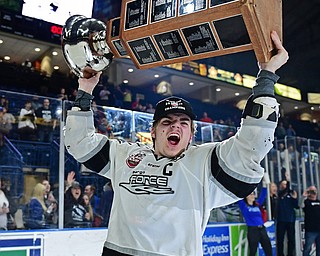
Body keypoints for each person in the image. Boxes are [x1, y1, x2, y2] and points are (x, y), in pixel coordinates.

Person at [64, 31, 288, 256]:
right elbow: (79, 142)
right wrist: (85, 89)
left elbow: (253, 144)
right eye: (167, 122)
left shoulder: (204, 164)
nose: (175, 127)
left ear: (191, 134)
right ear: (153, 131)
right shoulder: (125, 156)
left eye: (183, 123)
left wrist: (267, 76)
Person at [238, 174, 272, 256]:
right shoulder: (244, 206)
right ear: (246, 197)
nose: (252, 195)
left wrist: (264, 184)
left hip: (262, 228)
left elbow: (263, 195)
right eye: (250, 194)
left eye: (253, 194)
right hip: (252, 230)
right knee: (253, 250)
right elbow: (238, 197)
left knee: (268, 248)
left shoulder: (257, 204)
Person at [276, 179, 299, 256]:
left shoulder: (291, 194)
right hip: (281, 220)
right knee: (280, 239)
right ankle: (280, 254)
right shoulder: (279, 194)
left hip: (290, 220)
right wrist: (288, 180)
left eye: (285, 184)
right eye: (283, 184)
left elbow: (296, 206)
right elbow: (284, 191)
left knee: (291, 239)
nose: (284, 186)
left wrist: (295, 198)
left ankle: (290, 254)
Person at [301, 186, 320, 256]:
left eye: (314, 191)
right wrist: (303, 196)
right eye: (311, 191)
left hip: (319, 229)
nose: (313, 193)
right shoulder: (306, 202)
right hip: (310, 229)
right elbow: (300, 205)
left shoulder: (318, 202)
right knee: (307, 248)